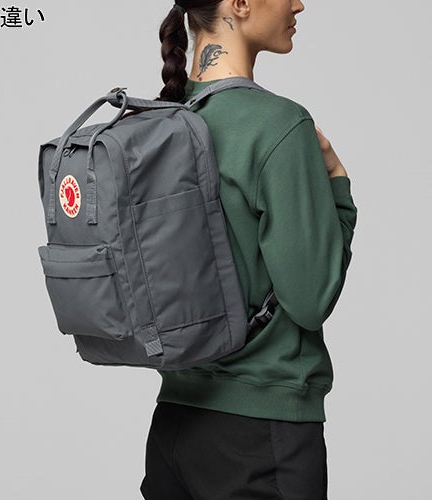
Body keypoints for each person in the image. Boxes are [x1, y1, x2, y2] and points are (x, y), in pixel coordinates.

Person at [140, 0, 358, 499]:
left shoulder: (161, 122)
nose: (298, 4)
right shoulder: (277, 124)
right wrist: (338, 190)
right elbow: (310, 298)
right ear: (238, 4)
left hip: (173, 428)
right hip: (261, 435)